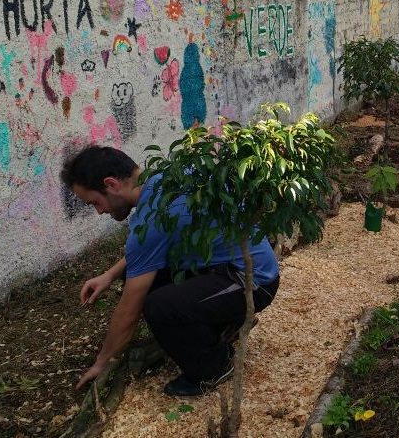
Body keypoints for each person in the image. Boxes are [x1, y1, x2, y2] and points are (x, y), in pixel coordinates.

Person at [60, 145, 280, 397]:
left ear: (111, 184)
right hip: (228, 263)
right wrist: (110, 275)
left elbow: (129, 312)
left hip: (253, 281)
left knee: (158, 305)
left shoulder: (152, 216)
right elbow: (146, 250)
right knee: (146, 280)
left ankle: (213, 368)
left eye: (94, 203)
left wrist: (101, 362)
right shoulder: (165, 177)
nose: (100, 211)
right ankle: (212, 330)